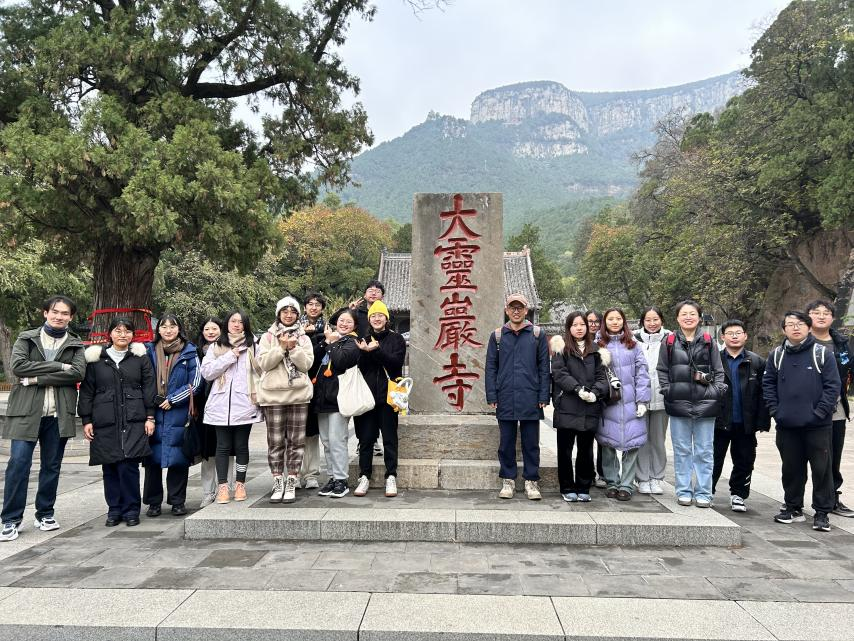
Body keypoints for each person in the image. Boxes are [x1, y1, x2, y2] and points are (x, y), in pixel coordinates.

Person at [0, 296, 86, 542]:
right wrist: (60, 367)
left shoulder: (75, 344)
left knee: (51, 465)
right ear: (45, 313)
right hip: (25, 413)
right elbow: (19, 367)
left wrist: (36, 378)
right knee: (18, 464)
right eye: (55, 312)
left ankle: (45, 513)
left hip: (58, 414)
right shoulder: (27, 338)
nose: (59, 316)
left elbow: (78, 373)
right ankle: (10, 519)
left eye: (65, 313)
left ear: (70, 317)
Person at [764, 310, 841, 532]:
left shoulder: (822, 353)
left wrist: (820, 412)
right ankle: (793, 507)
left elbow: (833, 386)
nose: (795, 327)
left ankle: (822, 513)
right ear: (784, 329)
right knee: (791, 469)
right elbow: (768, 384)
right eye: (790, 324)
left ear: (808, 327)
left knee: (821, 470)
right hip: (787, 424)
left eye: (800, 323)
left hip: (818, 425)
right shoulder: (777, 355)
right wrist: (775, 411)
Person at [79, 318, 156, 527]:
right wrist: (86, 419)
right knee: (110, 466)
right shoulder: (96, 359)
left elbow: (149, 387)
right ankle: (114, 509)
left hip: (134, 419)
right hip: (105, 420)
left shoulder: (140, 358)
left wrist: (150, 417)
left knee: (129, 466)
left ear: (133, 335)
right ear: (110, 334)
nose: (123, 335)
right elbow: (87, 391)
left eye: (127, 331)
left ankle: (131, 510)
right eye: (118, 330)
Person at [657, 300, 726, 508]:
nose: (688, 317)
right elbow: (662, 369)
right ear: (677, 318)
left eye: (692, 314)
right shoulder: (669, 341)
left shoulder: (708, 341)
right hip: (678, 403)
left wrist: (716, 391)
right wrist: (668, 389)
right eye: (684, 314)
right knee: (682, 450)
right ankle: (684, 491)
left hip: (706, 404)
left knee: (705, 451)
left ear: (699, 317)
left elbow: (719, 371)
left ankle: (704, 492)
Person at [485, 293, 550, 500]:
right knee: (506, 442)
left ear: (526, 310)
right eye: (512, 308)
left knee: (531, 443)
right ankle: (508, 479)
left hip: (530, 396)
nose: (516, 311)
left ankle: (531, 480)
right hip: (505, 395)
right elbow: (491, 367)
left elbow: (544, 368)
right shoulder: (497, 336)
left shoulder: (537, 335)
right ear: (506, 310)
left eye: (519, 308)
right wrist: (492, 394)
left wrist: (543, 395)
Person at [256, 297, 314, 504]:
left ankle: (292, 479)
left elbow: (306, 365)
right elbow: (263, 364)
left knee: (296, 441)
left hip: (298, 394)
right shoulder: (267, 337)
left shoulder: (304, 338)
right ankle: (277, 480)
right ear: (278, 314)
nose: (288, 315)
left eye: (292, 311)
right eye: (284, 311)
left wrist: (293, 348)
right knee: (275, 441)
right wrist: (280, 348)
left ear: (298, 315)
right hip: (272, 395)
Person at [200, 310, 261, 505]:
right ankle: (223, 486)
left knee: (241, 445)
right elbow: (206, 372)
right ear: (227, 323)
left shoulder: (254, 345)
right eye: (233, 321)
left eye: (241, 322)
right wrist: (228, 357)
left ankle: (240, 484)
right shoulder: (216, 346)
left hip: (245, 403)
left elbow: (261, 370)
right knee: (222, 446)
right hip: (220, 404)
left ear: (246, 325)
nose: (236, 325)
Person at [142, 314, 200, 518]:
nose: (168, 330)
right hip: (153, 411)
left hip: (178, 413)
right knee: (152, 461)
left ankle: (177, 501)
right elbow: (142, 379)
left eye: (172, 326)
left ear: (179, 329)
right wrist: (152, 402)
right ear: (158, 329)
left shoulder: (189, 352)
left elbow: (196, 383)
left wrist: (174, 399)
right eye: (164, 326)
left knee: (178, 459)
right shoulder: (148, 351)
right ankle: (153, 502)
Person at [550, 311, 609, 502]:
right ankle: (567, 487)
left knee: (586, 449)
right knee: (565, 451)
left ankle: (583, 486)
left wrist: (595, 392)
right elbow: (559, 373)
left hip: (589, 407)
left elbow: (602, 376)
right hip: (567, 405)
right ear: (569, 328)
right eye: (574, 325)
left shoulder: (597, 350)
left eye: (582, 324)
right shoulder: (561, 348)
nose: (579, 328)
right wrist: (577, 389)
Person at [712, 319, 770, 513]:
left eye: (738, 332)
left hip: (745, 422)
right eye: (730, 333)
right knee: (713, 459)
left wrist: (762, 420)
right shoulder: (715, 360)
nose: (734, 336)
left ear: (745, 336)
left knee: (744, 460)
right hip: (719, 420)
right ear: (723, 337)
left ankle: (738, 494)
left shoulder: (757, 362)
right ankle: (707, 491)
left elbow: (764, 393)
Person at [353, 300, 407, 498]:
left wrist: (376, 350)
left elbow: (395, 364)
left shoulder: (397, 339)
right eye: (373, 316)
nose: (377, 319)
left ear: (386, 318)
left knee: (390, 438)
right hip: (367, 397)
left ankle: (391, 475)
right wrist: (365, 352)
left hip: (389, 397)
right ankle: (364, 476)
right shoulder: (363, 340)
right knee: (366, 438)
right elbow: (361, 368)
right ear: (369, 319)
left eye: (380, 315)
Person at [597, 308, 651, 501]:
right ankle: (612, 481)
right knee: (608, 443)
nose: (615, 322)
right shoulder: (598, 344)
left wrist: (642, 401)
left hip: (630, 401)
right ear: (604, 322)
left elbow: (642, 373)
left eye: (618, 318)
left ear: (624, 321)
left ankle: (627, 484)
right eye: (610, 319)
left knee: (632, 444)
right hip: (609, 401)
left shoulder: (633, 345)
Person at [806, 300, 854, 518]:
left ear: (833, 318)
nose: (821, 316)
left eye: (826, 313)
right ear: (808, 316)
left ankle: (832, 497)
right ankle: (794, 502)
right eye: (816, 312)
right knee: (802, 457)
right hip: (805, 408)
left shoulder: (841, 343)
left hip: (836, 409)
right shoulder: (799, 341)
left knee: (833, 455)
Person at [313, 308, 361, 498]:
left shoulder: (352, 342)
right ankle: (332, 477)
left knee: (337, 439)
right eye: (341, 320)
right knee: (326, 441)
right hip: (321, 397)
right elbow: (313, 361)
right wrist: (326, 342)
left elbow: (341, 362)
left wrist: (332, 343)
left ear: (354, 325)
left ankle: (342, 479)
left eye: (348, 321)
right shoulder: (329, 340)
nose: (344, 324)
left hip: (339, 398)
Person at [193, 317, 235, 508]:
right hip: (204, 406)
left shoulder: (231, 349)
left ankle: (226, 487)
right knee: (208, 452)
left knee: (227, 448)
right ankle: (208, 492)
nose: (210, 332)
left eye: (214, 328)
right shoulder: (195, 352)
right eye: (206, 329)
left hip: (226, 405)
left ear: (222, 330)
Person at [299, 292, 326, 490]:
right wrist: (305, 335)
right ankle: (295, 472)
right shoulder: (294, 329)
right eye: (310, 304)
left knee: (312, 432)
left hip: (317, 385)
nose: (314, 307)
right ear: (305, 307)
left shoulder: (327, 329)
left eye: (317, 304)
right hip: (296, 385)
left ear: (322, 308)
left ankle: (311, 473)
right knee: (294, 431)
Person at [586, 309, 607, 489]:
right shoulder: (578, 342)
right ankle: (589, 473)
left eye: (596, 321)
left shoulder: (605, 343)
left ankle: (603, 472)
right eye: (589, 321)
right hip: (585, 395)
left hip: (602, 395)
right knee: (586, 438)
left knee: (603, 438)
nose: (593, 325)